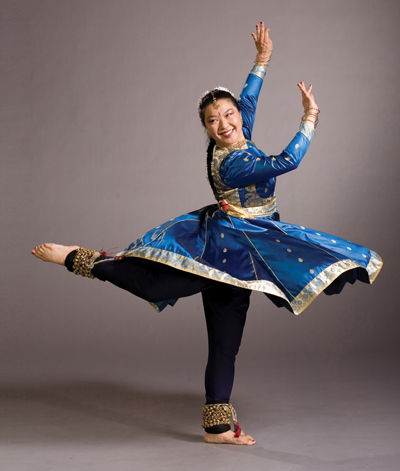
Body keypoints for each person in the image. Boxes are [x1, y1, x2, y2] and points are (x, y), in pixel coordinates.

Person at [32, 22, 382, 446]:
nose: (224, 123)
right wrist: (310, 116)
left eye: (228, 115)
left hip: (248, 249)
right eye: (213, 121)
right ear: (206, 129)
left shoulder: (239, 131)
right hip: (222, 247)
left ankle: (216, 426)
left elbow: (248, 98)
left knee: (225, 343)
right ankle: (79, 258)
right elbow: (286, 161)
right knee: (152, 284)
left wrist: (262, 60)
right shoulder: (234, 162)